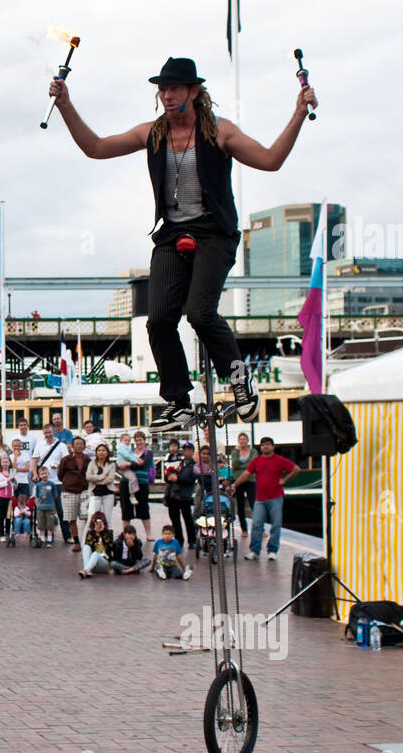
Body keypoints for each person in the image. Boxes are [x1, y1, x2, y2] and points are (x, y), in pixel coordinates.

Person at [49, 55, 316, 431]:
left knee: (200, 313)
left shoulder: (220, 132)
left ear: (194, 91)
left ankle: (240, 380)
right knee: (157, 320)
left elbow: (271, 160)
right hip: (172, 233)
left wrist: (298, 114)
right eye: (162, 88)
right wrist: (65, 105)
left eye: (174, 88)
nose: (166, 95)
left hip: (214, 232)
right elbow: (95, 147)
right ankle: (178, 400)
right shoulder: (152, 133)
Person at [233, 436, 298, 561]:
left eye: (268, 444)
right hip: (260, 499)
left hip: (276, 498)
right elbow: (246, 474)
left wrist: (284, 480)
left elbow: (296, 469)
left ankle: (272, 551)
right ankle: (254, 551)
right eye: (263, 445)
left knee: (276, 525)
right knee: (256, 524)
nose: (265, 446)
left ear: (273, 446)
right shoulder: (256, 461)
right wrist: (235, 485)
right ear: (261, 448)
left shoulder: (279, 460)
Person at [57, 436, 90, 550]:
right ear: (72, 446)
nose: (79, 446)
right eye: (77, 444)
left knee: (87, 518)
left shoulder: (88, 460)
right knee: (71, 518)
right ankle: (76, 542)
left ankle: (87, 541)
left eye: (81, 444)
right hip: (69, 491)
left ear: (84, 446)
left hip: (85, 492)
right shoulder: (66, 460)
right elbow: (60, 475)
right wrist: (69, 482)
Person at [164, 441, 198, 549]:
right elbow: (168, 472)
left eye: (189, 450)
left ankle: (192, 540)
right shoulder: (178, 462)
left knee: (188, 519)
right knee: (175, 521)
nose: (186, 452)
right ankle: (179, 540)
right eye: (185, 450)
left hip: (185, 496)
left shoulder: (194, 465)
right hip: (173, 495)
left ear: (192, 452)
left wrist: (177, 478)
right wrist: (169, 476)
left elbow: (191, 479)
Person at [230, 433, 258, 536]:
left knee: (254, 503)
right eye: (240, 439)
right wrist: (237, 452)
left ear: (247, 440)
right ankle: (244, 529)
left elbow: (253, 463)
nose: (242, 441)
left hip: (250, 479)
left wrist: (244, 468)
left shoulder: (253, 451)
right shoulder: (235, 452)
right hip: (238, 481)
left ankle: (259, 528)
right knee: (240, 505)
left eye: (244, 439)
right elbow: (234, 464)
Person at [85, 442, 118, 524]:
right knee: (92, 519)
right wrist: (102, 476)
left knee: (107, 519)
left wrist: (96, 480)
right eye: (99, 450)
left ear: (107, 453)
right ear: (96, 452)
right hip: (94, 493)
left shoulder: (111, 465)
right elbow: (88, 477)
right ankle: (89, 536)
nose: (101, 452)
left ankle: (108, 536)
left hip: (108, 493)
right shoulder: (92, 463)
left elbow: (110, 479)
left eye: (103, 450)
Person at [78, 511, 114, 579]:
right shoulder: (90, 533)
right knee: (86, 547)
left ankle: (85, 570)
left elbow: (111, 546)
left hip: (105, 564)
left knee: (95, 554)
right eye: (96, 521)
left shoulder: (109, 533)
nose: (98, 524)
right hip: (92, 564)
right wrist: (96, 534)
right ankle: (87, 570)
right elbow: (89, 546)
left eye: (100, 521)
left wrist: (102, 532)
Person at [32, 466, 56, 546]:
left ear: (48, 474)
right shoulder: (38, 485)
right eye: (42, 474)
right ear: (39, 475)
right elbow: (37, 496)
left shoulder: (52, 484)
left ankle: (49, 540)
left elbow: (55, 495)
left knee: (50, 524)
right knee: (41, 524)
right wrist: (37, 503)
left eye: (45, 473)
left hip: (50, 508)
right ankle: (42, 540)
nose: (44, 475)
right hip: (40, 508)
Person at [0, 456, 15, 542]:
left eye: (7, 462)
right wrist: (8, 480)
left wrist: (15, 482)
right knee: (1, 517)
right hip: (0, 497)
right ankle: (1, 534)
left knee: (9, 516)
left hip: (9, 498)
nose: (5, 464)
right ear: (1, 464)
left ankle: (8, 533)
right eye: (3, 462)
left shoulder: (12, 473)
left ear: (9, 463)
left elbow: (14, 487)